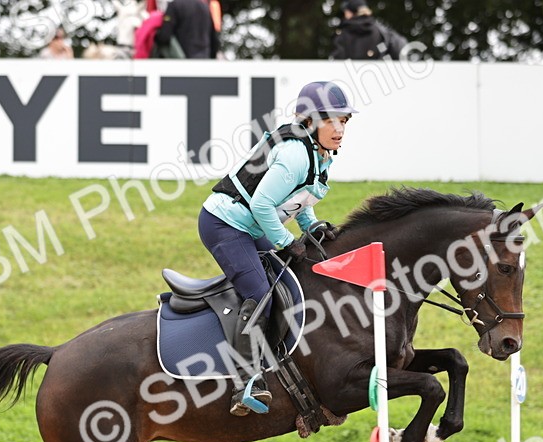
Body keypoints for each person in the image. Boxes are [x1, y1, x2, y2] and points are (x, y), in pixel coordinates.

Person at [200, 81, 357, 416]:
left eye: (344, 121)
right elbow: (262, 206)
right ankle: (245, 381)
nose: (340, 129)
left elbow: (299, 199)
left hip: (249, 226)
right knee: (260, 290)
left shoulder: (318, 154)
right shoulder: (295, 155)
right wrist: (286, 242)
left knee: (289, 276)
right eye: (332, 121)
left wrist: (309, 227)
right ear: (311, 122)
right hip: (224, 225)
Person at [331, 0, 408, 60]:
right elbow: (399, 49)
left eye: (346, 11)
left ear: (350, 12)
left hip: (351, 78)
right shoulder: (380, 31)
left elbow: (337, 62)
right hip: (378, 76)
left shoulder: (343, 34)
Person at [155, 0, 219, 59]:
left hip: (182, 61)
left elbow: (164, 36)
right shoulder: (205, 7)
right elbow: (214, 40)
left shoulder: (174, 6)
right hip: (203, 60)